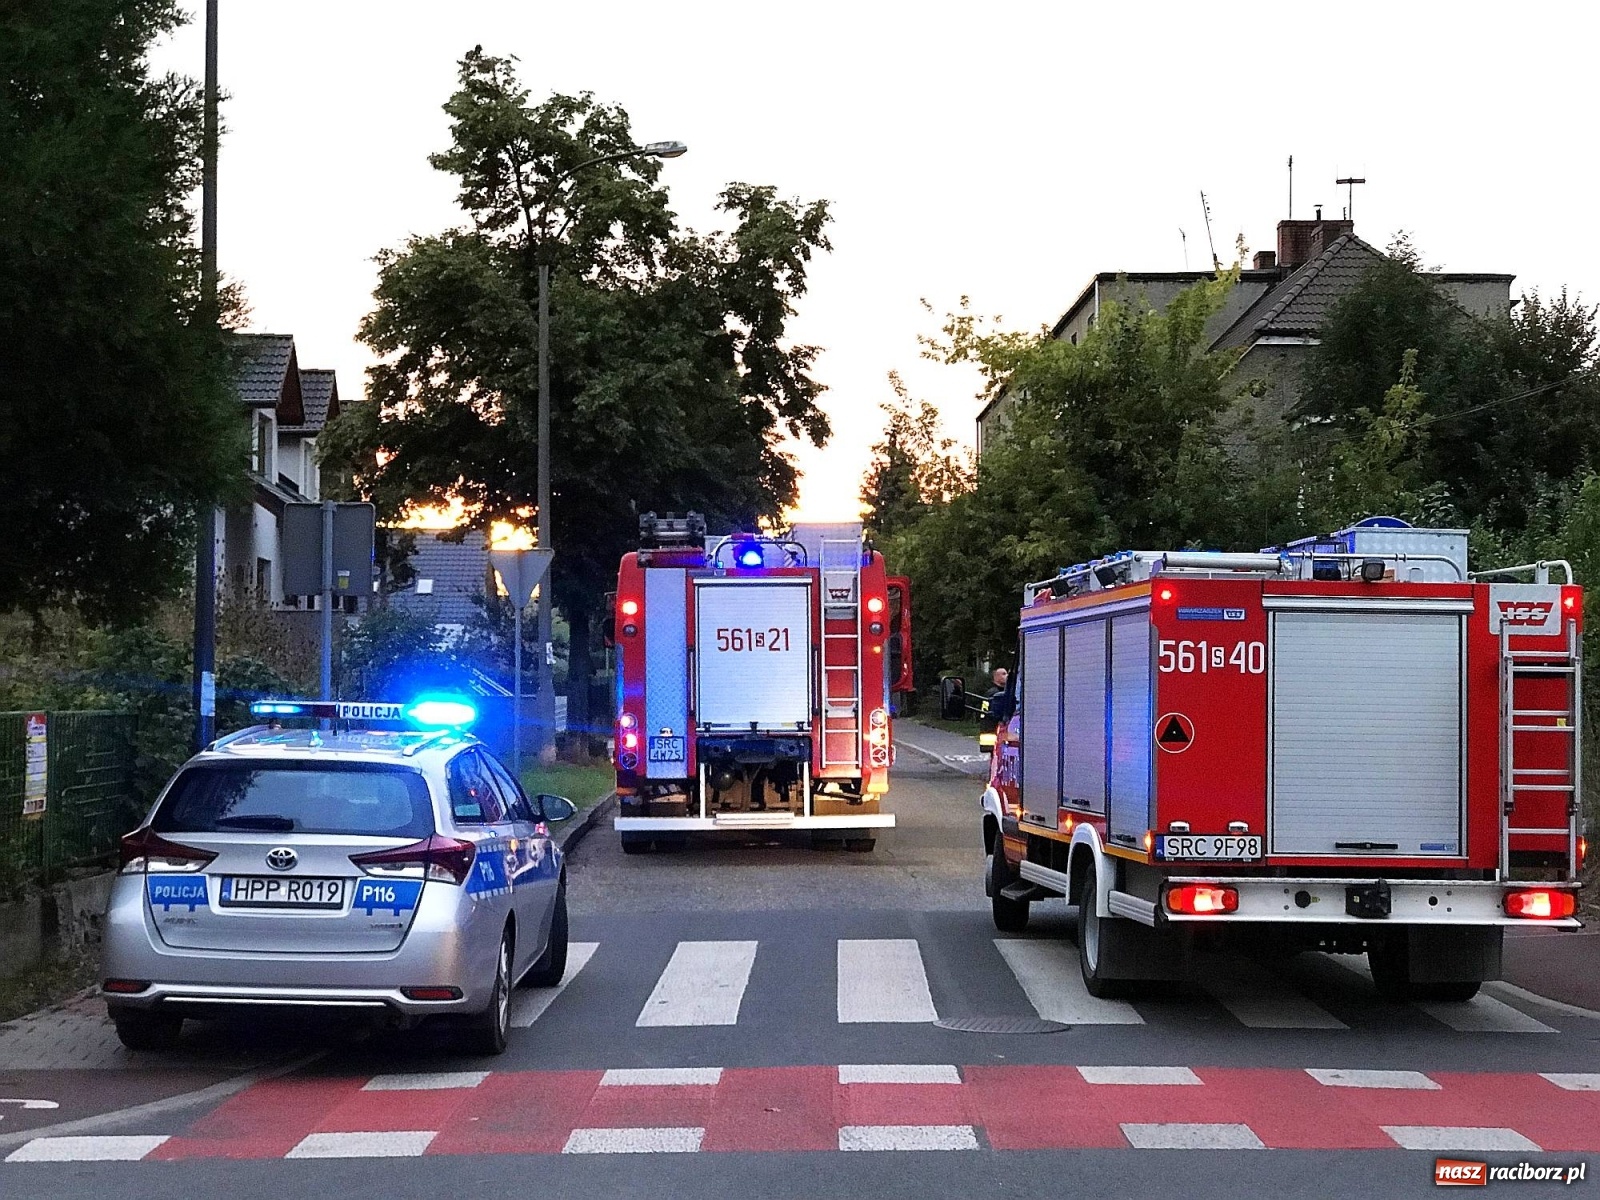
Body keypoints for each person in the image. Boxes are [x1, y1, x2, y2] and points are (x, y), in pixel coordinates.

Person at [979, 666, 1013, 731]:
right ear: (996, 677)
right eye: (1003, 674)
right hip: (992, 727)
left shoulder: (1007, 691)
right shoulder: (993, 693)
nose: (1007, 676)